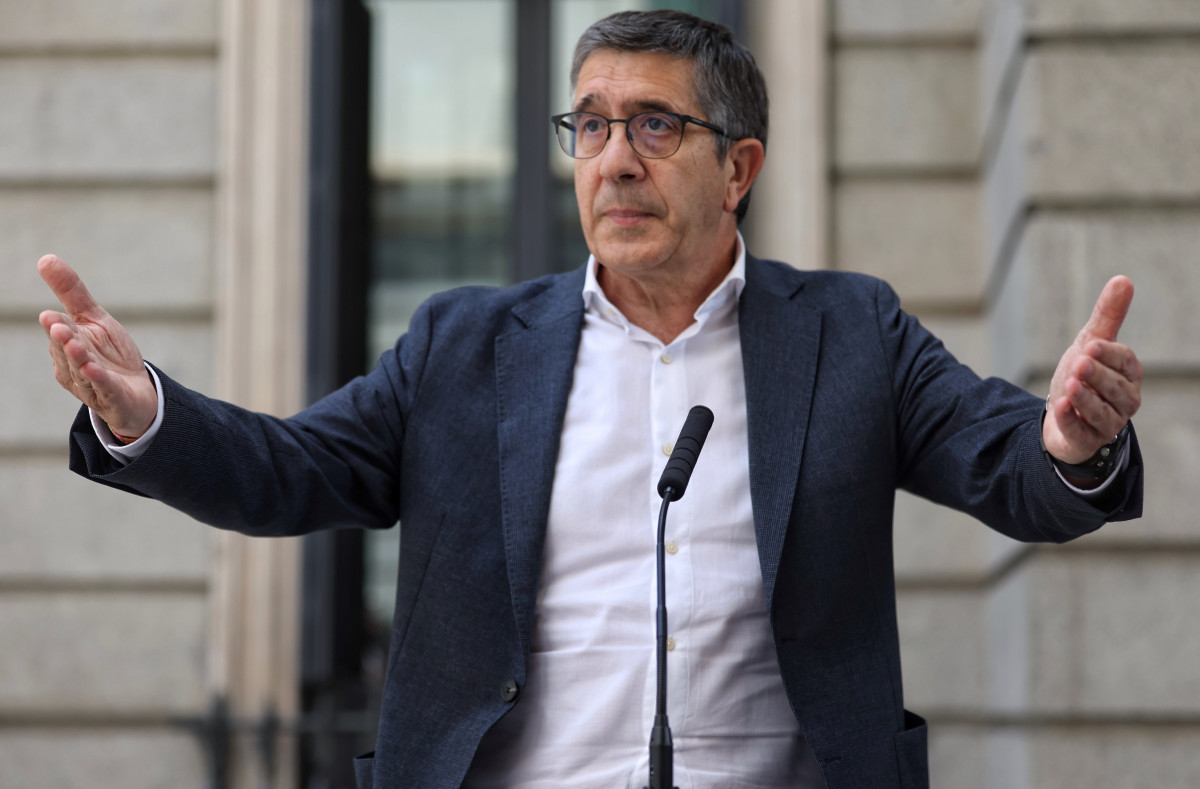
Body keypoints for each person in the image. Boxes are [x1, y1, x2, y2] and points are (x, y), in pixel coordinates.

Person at [37, 10, 1143, 789]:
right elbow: (291, 471)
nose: (615, 159)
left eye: (656, 125)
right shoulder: (464, 346)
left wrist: (1070, 441)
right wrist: (147, 414)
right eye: (593, 125)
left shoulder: (850, 332)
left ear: (739, 168)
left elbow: (1006, 461)